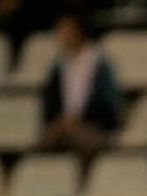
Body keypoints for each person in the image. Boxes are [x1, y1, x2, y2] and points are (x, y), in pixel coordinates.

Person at [40, 12, 123, 157]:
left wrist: (79, 119)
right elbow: (50, 102)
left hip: (95, 126)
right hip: (63, 126)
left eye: (66, 30)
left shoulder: (100, 64)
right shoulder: (58, 67)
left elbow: (109, 105)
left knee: (81, 140)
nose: (62, 35)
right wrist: (61, 122)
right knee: (43, 142)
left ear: (78, 31)